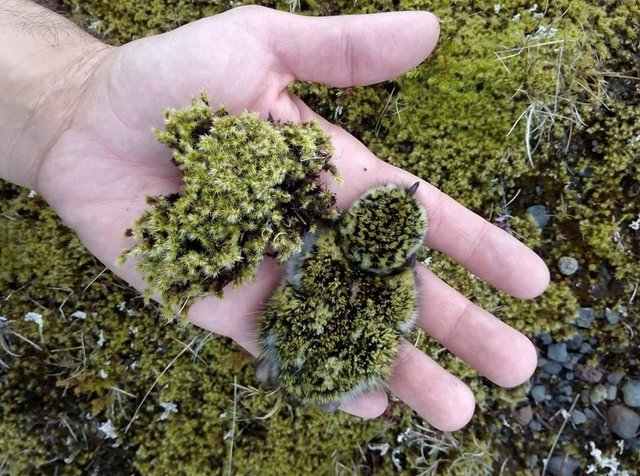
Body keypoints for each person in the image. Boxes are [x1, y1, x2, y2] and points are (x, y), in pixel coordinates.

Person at [0, 1, 549, 431]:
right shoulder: (374, 277)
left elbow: (331, 288)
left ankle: (302, 370)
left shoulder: (348, 267)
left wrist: (68, 91)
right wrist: (72, 94)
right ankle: (301, 371)